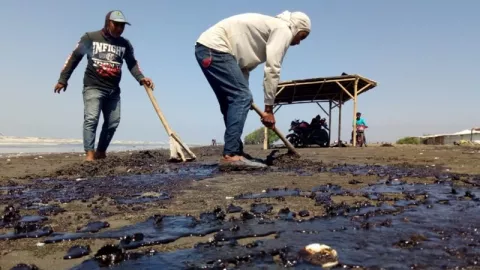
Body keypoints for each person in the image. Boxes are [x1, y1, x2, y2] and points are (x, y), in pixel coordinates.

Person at [194, 11, 311, 167]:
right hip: (216, 48)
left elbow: (244, 69)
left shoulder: (267, 32)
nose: (298, 42)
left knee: (232, 102)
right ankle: (231, 154)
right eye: (301, 36)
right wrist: (268, 109)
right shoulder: (284, 29)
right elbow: (273, 69)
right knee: (241, 97)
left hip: (206, 49)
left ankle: (235, 151)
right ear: (296, 27)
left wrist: (244, 95)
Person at [54, 10, 154, 161]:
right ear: (108, 23)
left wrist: (141, 78)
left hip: (113, 90)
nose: (120, 29)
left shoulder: (124, 44)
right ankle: (89, 154)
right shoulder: (91, 38)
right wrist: (63, 79)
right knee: (91, 119)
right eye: (117, 25)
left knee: (113, 122)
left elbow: (132, 64)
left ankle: (101, 152)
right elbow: (74, 57)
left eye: (122, 26)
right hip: (93, 86)